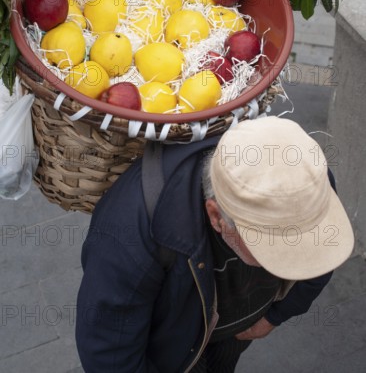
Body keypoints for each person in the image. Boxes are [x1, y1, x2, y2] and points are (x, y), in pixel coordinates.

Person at [75, 116, 354, 372]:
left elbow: (324, 253)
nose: (295, 258)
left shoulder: (304, 180)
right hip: (174, 354)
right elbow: (109, 353)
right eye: (275, 248)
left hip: (240, 328)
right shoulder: (130, 233)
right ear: (217, 216)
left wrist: (275, 316)